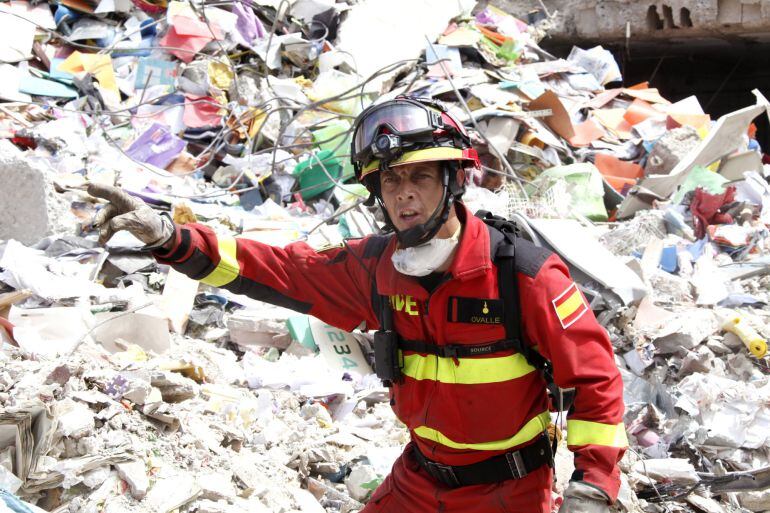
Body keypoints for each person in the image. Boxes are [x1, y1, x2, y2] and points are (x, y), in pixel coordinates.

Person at [88, 96, 627, 513]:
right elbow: (280, 270)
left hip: (507, 492)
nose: (403, 194)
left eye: (418, 175)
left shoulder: (525, 278)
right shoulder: (377, 268)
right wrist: (170, 238)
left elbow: (597, 384)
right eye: (390, 181)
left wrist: (593, 486)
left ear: (454, 179)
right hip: (418, 481)